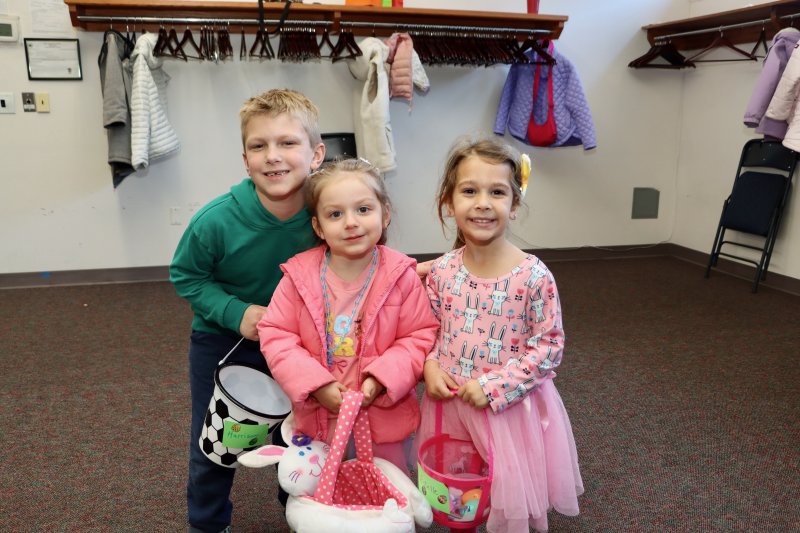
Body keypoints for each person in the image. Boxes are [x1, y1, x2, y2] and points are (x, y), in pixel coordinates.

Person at [170, 89, 326, 533]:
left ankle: (301, 514)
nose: (273, 156)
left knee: (303, 440)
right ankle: (206, 523)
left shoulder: (329, 213)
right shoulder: (216, 220)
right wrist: (238, 312)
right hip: (226, 344)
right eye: (259, 146)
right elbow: (186, 276)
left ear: (316, 154)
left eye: (287, 143)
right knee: (215, 446)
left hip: (303, 348)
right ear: (245, 159)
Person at [418, 136, 584, 533]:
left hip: (507, 411)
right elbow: (433, 329)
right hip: (452, 402)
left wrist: (495, 386)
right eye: (469, 191)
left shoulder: (533, 276)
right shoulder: (442, 271)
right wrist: (429, 364)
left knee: (507, 494)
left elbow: (548, 348)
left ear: (514, 204)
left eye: (497, 192)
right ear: (449, 201)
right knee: (460, 489)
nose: (482, 203)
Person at [257, 157, 438, 477]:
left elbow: (419, 335)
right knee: (324, 496)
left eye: (363, 210)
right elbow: (276, 335)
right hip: (319, 421)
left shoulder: (401, 276)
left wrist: (381, 380)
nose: (351, 222)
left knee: (384, 493)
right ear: (318, 226)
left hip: (382, 420)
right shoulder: (298, 277)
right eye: (335, 214)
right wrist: (316, 384)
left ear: (385, 214)